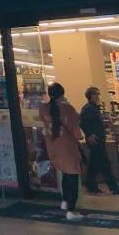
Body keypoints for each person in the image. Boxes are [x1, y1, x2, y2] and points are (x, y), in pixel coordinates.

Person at [39, 83, 84, 221]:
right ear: (62, 94)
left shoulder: (43, 108)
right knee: (73, 177)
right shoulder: (68, 109)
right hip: (68, 148)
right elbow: (76, 131)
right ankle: (71, 210)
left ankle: (64, 201)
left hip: (53, 147)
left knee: (65, 174)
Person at [80, 86, 119, 195]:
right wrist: (90, 134)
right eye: (96, 94)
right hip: (95, 140)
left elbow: (93, 123)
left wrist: (104, 124)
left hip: (98, 139)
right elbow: (82, 122)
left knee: (95, 164)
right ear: (91, 95)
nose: (98, 96)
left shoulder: (93, 108)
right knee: (105, 163)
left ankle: (90, 184)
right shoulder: (88, 108)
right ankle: (114, 187)